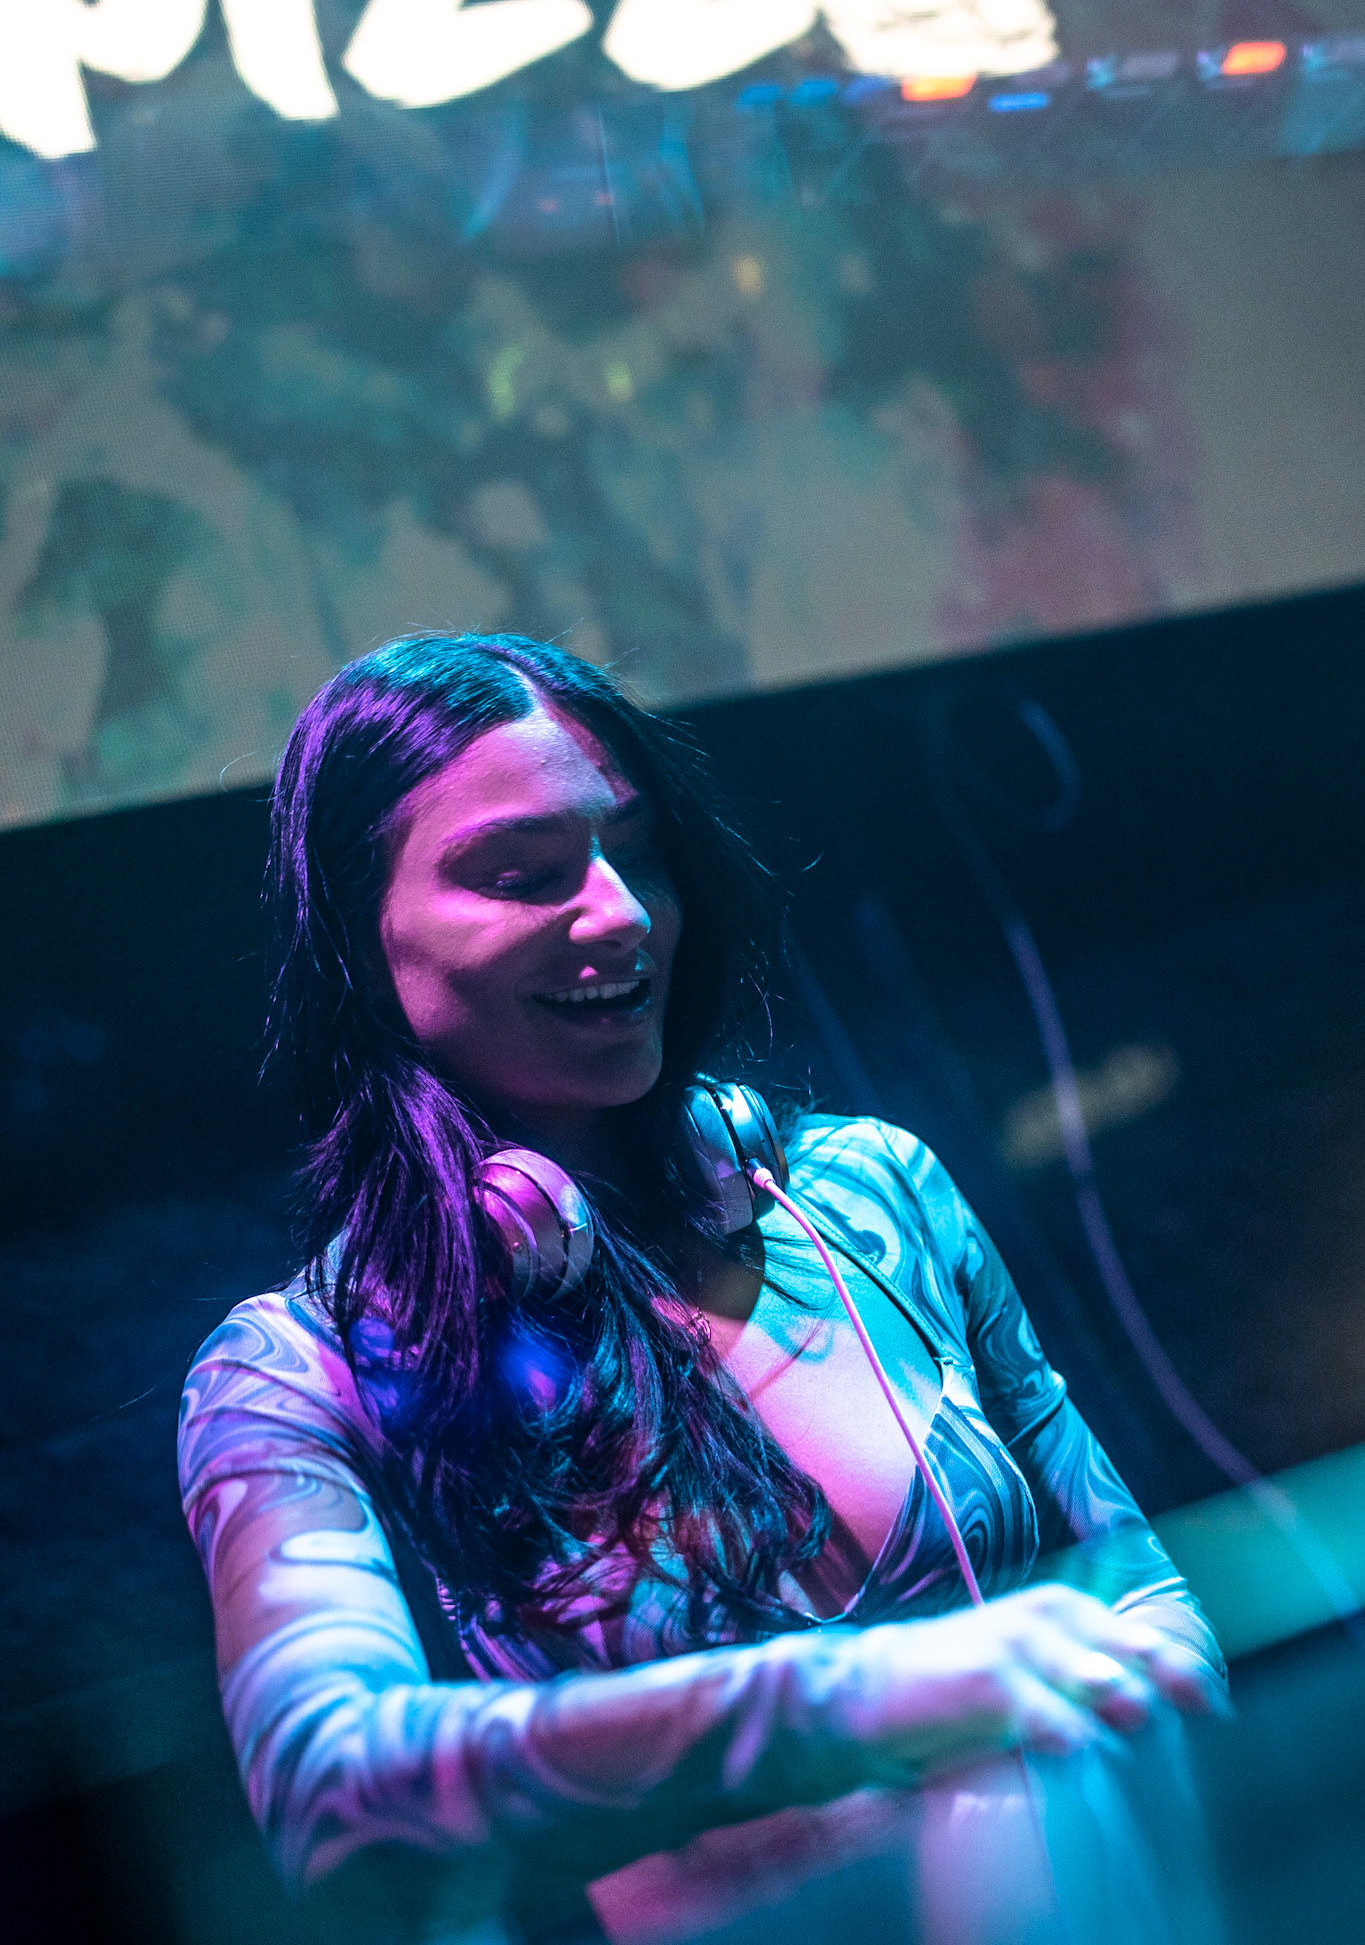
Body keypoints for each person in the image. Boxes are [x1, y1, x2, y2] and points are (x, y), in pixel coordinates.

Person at [179, 632, 1226, 1945]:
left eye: (637, 852)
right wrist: (872, 1698)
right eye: (522, 876)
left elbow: (1134, 1577)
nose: (622, 914)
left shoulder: (870, 1193)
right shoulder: (297, 1371)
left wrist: (1142, 1728)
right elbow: (329, 1799)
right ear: (358, 938)